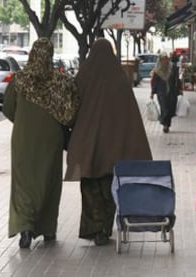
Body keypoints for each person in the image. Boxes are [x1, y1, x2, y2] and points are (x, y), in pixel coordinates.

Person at [65, 38, 153, 246]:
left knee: (90, 187)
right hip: (114, 146)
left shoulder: (84, 76)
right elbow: (129, 112)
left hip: (89, 146)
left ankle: (94, 229)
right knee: (109, 187)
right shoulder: (119, 78)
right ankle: (105, 228)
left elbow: (72, 107)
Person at [2, 37, 79, 249]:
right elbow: (71, 115)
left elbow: (7, 109)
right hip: (51, 140)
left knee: (23, 185)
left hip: (23, 140)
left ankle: (25, 227)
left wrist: (25, 121)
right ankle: (47, 229)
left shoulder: (19, 80)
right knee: (48, 183)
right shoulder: (61, 83)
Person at [151, 51, 182, 133]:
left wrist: (180, 89)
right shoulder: (157, 70)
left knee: (171, 108)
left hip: (172, 91)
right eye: (163, 59)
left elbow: (177, 79)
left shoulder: (173, 67)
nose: (165, 61)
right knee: (164, 108)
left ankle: (167, 123)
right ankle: (165, 125)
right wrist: (152, 92)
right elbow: (154, 81)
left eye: (166, 59)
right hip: (161, 92)